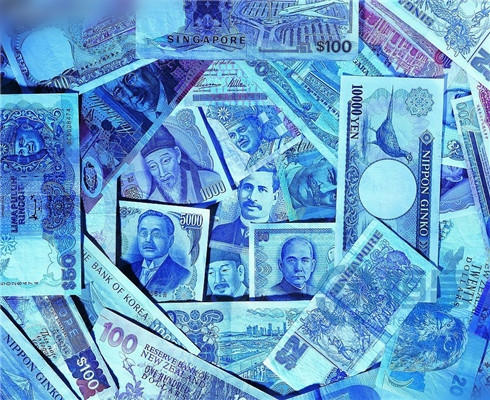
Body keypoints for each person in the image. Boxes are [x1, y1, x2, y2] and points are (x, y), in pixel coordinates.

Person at [141, 126, 221, 204]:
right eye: (153, 166)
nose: (162, 174)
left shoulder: (210, 180)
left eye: (166, 161)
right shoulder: (153, 202)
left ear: (177, 154)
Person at [211, 165, 279, 246]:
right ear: (239, 191)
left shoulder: (279, 238)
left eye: (262, 190)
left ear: (275, 197)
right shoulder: (218, 232)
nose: (252, 198)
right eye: (248, 188)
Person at [129, 210, 189, 294]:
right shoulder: (127, 269)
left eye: (156, 234)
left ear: (170, 241)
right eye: (144, 233)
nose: (148, 240)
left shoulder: (183, 276)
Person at [103, 63, 174, 124]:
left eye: (130, 78)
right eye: (119, 91)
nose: (132, 95)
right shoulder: (145, 129)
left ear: (149, 68)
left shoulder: (175, 88)